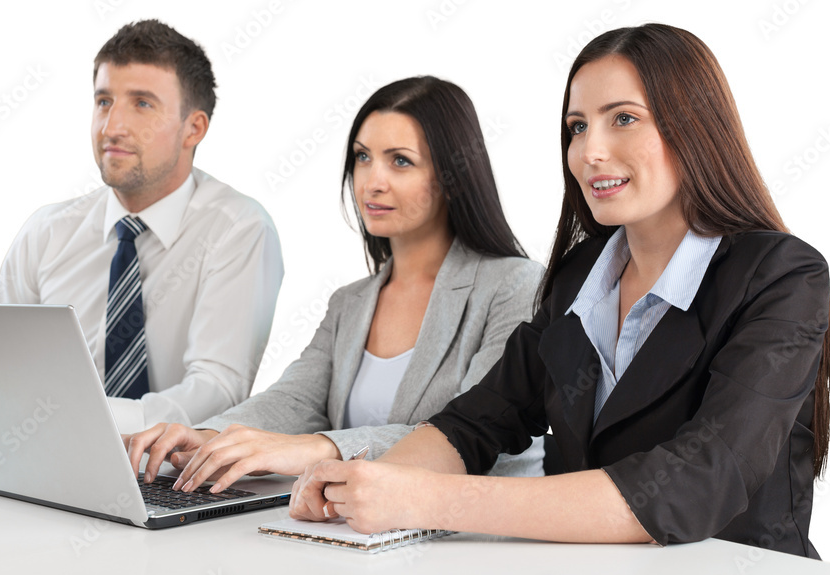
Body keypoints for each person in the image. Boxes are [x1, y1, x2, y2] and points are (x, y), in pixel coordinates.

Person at [290, 24, 830, 560]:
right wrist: (368, 484)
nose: (589, 152)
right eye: (577, 127)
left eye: (623, 119)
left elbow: (698, 481)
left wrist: (428, 500)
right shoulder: (582, 274)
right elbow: (479, 421)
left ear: (694, 128)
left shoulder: (781, 276)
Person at [125, 76, 545, 493]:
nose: (372, 181)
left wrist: (320, 449)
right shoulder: (350, 302)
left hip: (475, 543)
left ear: (452, 176)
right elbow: (295, 400)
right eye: (363, 157)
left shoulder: (512, 286)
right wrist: (209, 437)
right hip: (361, 535)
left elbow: (474, 434)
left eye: (400, 160)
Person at [0, 20, 284, 433]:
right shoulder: (47, 232)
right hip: (45, 456)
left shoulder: (238, 229)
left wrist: (89, 423)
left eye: (142, 103)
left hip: (172, 475)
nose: (112, 128)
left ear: (193, 128)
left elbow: (219, 389)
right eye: (104, 101)